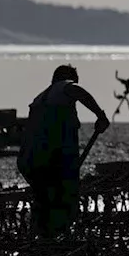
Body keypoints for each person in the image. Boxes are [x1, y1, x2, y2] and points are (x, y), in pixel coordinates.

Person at [17, 64, 110, 237]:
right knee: (64, 199)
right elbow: (78, 92)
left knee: (44, 201)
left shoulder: (40, 98)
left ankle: (41, 240)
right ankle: (58, 240)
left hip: (28, 161)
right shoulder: (64, 87)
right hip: (51, 158)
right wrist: (100, 115)